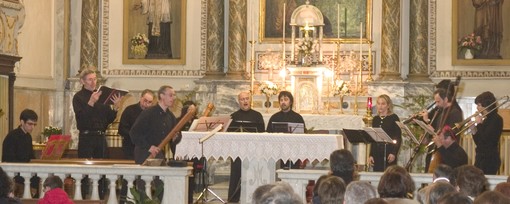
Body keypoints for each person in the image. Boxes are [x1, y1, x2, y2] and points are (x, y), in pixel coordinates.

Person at [73, 68, 122, 159]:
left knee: (103, 167)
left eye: (95, 79)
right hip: (86, 138)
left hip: (101, 137)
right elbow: (81, 118)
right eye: (90, 79)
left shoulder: (101, 95)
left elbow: (108, 119)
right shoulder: (78, 97)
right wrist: (91, 102)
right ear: (82, 81)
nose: (93, 82)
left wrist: (115, 108)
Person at [228, 91, 265, 203]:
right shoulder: (233, 116)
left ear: (250, 100)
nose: (245, 101)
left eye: (247, 99)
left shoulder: (257, 116)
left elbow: (263, 134)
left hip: (253, 151)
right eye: (242, 99)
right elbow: (229, 135)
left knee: (253, 175)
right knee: (236, 175)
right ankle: (233, 199)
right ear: (239, 102)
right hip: (238, 151)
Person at [130, 85, 177, 164]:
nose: (173, 98)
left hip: (158, 153)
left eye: (174, 95)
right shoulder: (148, 113)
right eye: (171, 95)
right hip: (144, 153)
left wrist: (176, 137)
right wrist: (149, 147)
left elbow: (174, 136)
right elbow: (134, 133)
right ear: (162, 96)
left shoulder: (170, 116)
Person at [421, 87, 463, 171]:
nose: (436, 104)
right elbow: (437, 130)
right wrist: (428, 139)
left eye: (438, 101)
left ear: (446, 99)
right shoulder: (441, 112)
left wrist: (432, 130)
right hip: (437, 150)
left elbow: (449, 135)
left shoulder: (455, 113)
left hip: (446, 153)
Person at [2, 109, 40, 198]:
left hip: (25, 170)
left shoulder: (28, 137)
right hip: (15, 172)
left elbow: (30, 156)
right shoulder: (12, 136)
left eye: (34, 124)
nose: (32, 127)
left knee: (37, 177)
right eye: (30, 124)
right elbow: (8, 159)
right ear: (22, 122)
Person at [266, 91, 306, 168]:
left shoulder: (297, 117)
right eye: (281, 100)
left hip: (294, 151)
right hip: (277, 152)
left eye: (286, 99)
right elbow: (268, 134)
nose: (283, 102)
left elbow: (303, 136)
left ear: (290, 102)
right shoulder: (274, 117)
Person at [471, 91, 503, 174]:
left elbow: (486, 139)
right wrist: (473, 129)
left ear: (486, 105)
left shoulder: (496, 119)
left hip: (489, 160)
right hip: (481, 158)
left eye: (479, 105)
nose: (477, 108)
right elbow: (479, 142)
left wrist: (479, 124)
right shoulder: (486, 120)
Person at [118, 89, 155, 160]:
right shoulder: (129, 110)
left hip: (146, 149)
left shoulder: (152, 114)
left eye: (149, 102)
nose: (146, 104)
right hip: (130, 148)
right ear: (141, 98)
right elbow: (122, 129)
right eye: (145, 100)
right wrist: (135, 136)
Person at [369, 94, 402, 172]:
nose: (380, 106)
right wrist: (371, 155)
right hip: (377, 152)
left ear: (388, 105)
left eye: (383, 104)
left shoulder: (394, 117)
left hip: (389, 151)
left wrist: (394, 153)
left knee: (389, 175)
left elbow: (398, 137)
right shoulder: (375, 119)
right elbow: (373, 139)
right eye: (378, 103)